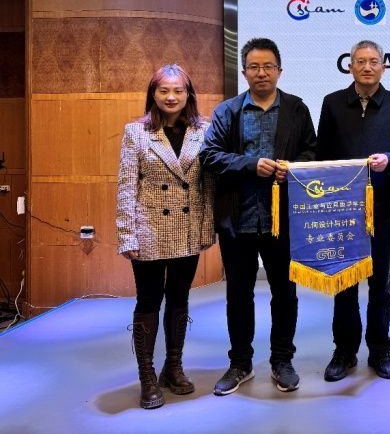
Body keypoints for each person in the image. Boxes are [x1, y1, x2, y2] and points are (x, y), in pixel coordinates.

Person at [200, 37, 316, 396]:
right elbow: (209, 156)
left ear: (279, 70)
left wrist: (291, 167)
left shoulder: (296, 109)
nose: (261, 73)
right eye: (254, 67)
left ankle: (282, 361)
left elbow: (312, 152)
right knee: (238, 294)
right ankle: (240, 363)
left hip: (283, 219)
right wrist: (251, 165)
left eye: (268, 66)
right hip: (239, 218)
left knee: (285, 293)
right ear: (244, 71)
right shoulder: (228, 111)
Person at [316, 40, 390, 381]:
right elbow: (321, 155)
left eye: (374, 61)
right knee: (344, 282)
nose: (367, 67)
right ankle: (344, 351)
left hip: (382, 208)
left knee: (379, 284)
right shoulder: (332, 103)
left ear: (384, 67)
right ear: (350, 66)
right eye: (360, 61)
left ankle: (380, 350)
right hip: (341, 208)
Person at [115, 63, 214, 409]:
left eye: (178, 90)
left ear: (188, 94)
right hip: (149, 230)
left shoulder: (204, 131)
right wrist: (127, 235)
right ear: (153, 94)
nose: (171, 97)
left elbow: (208, 186)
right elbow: (126, 187)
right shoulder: (136, 132)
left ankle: (173, 367)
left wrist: (206, 228)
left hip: (187, 228)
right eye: (164, 90)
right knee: (148, 300)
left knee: (179, 298)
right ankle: (147, 376)